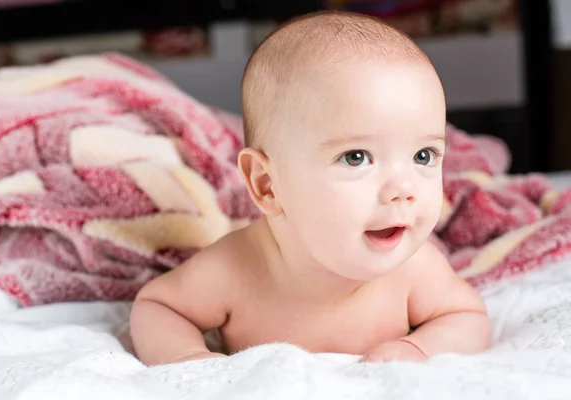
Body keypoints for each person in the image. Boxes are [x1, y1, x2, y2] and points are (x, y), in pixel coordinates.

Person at [130, 10, 491, 365]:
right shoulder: (235, 270)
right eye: (356, 157)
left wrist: (420, 348)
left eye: (424, 155)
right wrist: (189, 360)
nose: (404, 189)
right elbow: (159, 308)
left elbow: (467, 317)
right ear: (267, 184)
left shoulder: (413, 270)